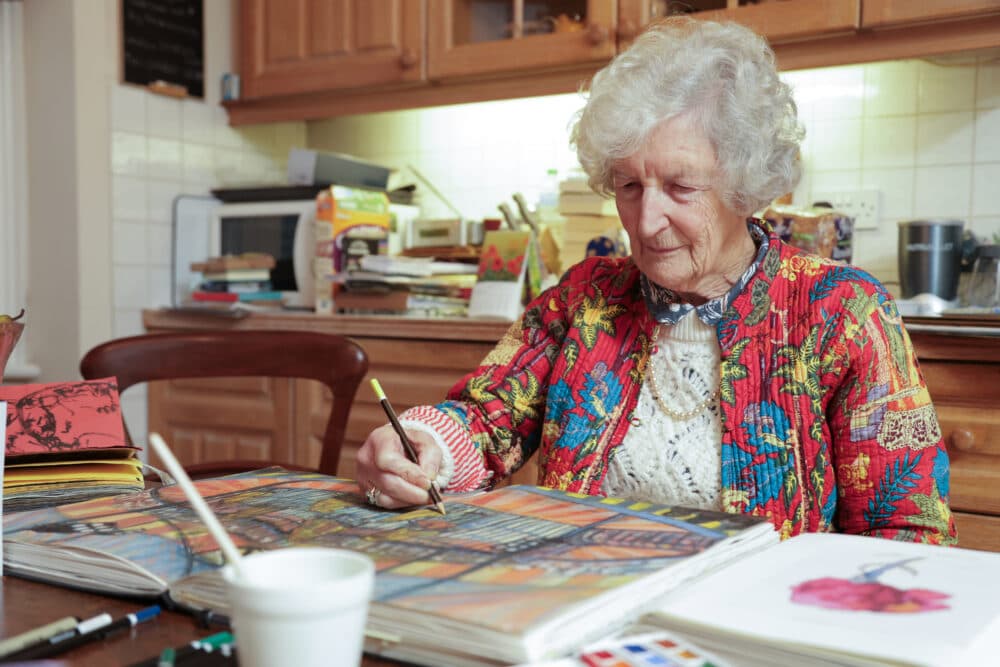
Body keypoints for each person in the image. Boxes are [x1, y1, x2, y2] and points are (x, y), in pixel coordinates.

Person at [357, 17, 957, 544]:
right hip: (584, 604)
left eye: (681, 187)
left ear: (743, 185)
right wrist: (423, 445)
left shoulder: (839, 310)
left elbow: (905, 528)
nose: (645, 222)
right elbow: (488, 421)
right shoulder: (588, 295)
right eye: (628, 185)